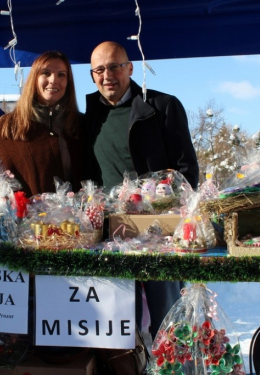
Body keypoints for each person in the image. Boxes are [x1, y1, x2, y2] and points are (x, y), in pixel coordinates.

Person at [83, 41, 199, 338]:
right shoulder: (89, 118)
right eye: (99, 69)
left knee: (169, 323)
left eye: (114, 66)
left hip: (159, 233)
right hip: (110, 238)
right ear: (92, 74)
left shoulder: (162, 107)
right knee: (119, 327)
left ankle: (175, 367)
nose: (107, 75)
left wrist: (159, 206)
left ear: (130, 68)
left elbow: (186, 172)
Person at [0, 51, 82, 196]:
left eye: (61, 75)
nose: (53, 80)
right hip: (26, 217)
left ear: (68, 82)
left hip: (76, 217)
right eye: (46, 73)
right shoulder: (9, 126)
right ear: (34, 79)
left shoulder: (81, 124)